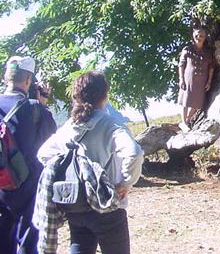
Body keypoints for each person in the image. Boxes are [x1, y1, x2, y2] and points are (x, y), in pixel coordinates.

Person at [36, 71, 144, 254]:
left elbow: (43, 154)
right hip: (107, 207)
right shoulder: (110, 125)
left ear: (76, 96)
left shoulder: (69, 127)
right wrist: (125, 183)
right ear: (105, 96)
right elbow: (134, 153)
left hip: (76, 205)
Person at [0, 56, 56, 254]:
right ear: (27, 80)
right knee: (28, 241)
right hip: (29, 187)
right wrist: (42, 104)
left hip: (1, 183)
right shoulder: (34, 108)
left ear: (6, 77)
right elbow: (51, 140)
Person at [177, 24, 215, 131]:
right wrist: (181, 79)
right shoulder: (187, 49)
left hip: (201, 80)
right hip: (188, 79)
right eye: (197, 35)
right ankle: (184, 122)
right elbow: (181, 65)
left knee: (197, 103)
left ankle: (186, 121)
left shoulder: (208, 52)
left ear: (205, 37)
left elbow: (211, 67)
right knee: (185, 101)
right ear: (193, 36)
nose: (199, 37)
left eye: (201, 35)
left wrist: (209, 81)